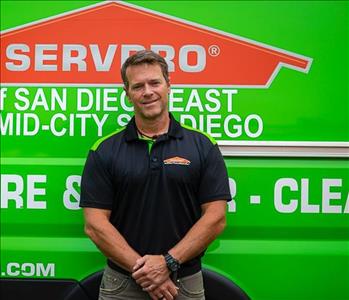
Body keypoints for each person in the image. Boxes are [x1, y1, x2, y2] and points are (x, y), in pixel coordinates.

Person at [80, 50, 231, 300]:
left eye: (154, 82)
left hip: (184, 281)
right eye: (138, 86)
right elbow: (95, 225)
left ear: (168, 86)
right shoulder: (104, 150)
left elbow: (216, 217)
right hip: (123, 284)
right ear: (127, 94)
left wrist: (168, 262)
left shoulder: (203, 145)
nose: (147, 91)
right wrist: (145, 271)